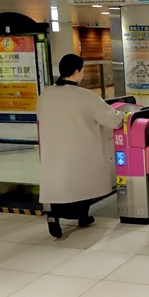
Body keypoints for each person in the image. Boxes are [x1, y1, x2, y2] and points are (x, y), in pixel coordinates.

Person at [37, 54, 125, 238]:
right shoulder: (86, 96)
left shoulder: (46, 94)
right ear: (76, 72)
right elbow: (112, 119)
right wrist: (122, 115)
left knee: (58, 183)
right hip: (79, 149)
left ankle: (54, 216)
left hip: (53, 149)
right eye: (82, 70)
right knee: (82, 183)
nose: (83, 74)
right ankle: (82, 216)